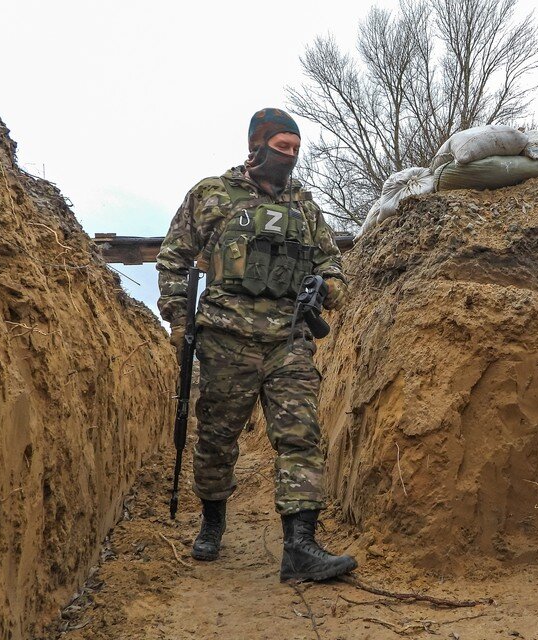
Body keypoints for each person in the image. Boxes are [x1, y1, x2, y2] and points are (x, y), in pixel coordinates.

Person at [156, 108, 357, 581]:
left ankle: (300, 547)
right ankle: (212, 522)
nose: (288, 158)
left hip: (288, 340)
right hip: (226, 338)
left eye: (295, 150)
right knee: (217, 438)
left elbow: (334, 265)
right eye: (281, 148)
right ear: (256, 146)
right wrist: (180, 320)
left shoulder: (305, 207)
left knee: (300, 437)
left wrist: (325, 288)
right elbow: (173, 257)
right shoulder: (212, 195)